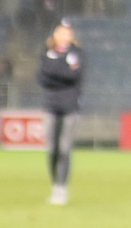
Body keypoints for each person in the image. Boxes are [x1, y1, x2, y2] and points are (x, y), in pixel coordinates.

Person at [36, 19, 85, 205]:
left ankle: (61, 188)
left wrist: (54, 72)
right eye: (61, 32)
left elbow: (74, 76)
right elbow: (41, 78)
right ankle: (55, 183)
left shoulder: (77, 54)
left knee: (64, 148)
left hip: (70, 107)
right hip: (50, 106)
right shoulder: (46, 53)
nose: (65, 36)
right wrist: (62, 71)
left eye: (68, 32)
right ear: (54, 35)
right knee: (52, 150)